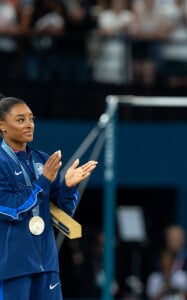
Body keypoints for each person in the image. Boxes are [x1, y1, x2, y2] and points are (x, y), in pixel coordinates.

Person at [0, 96, 98, 299]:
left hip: (46, 263)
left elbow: (62, 210)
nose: (29, 125)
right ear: (2, 126)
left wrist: (69, 187)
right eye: (20, 120)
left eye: (31, 119)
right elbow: (11, 210)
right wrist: (43, 181)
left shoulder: (42, 160)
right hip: (13, 266)